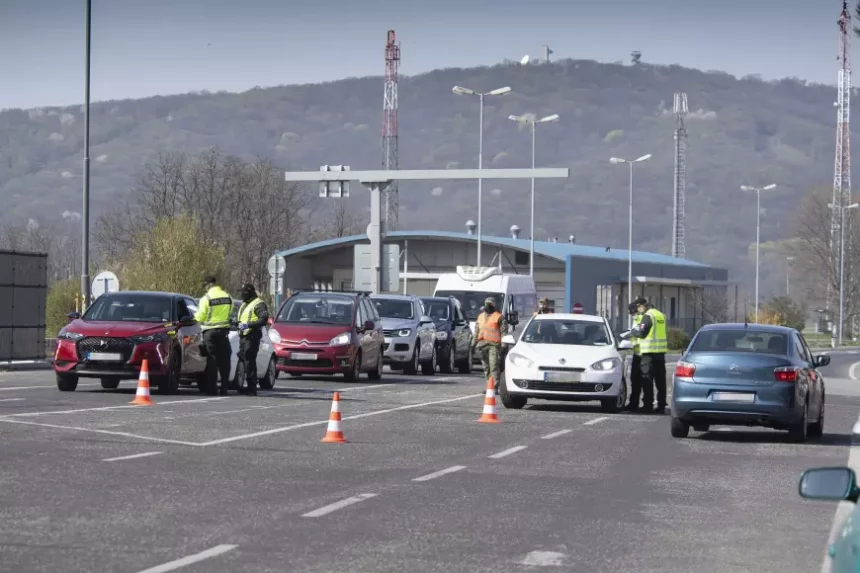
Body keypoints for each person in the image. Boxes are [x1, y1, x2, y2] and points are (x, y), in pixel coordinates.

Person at [194, 275, 234, 396]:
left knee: (212, 360)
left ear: (207, 285)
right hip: (224, 332)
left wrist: (194, 317)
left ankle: (212, 388)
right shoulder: (228, 297)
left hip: (209, 333)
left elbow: (200, 317)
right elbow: (230, 312)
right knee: (225, 360)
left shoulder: (206, 298)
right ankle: (224, 388)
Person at [629, 296, 668, 414]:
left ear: (641, 306)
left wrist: (632, 332)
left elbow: (642, 333)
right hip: (660, 353)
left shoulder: (648, 316)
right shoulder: (661, 315)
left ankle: (647, 406)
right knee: (661, 381)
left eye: (638, 308)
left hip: (648, 353)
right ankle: (661, 405)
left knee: (647, 380)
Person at [235, 283, 269, 396]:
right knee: (244, 359)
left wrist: (248, 325)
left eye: (243, 292)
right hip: (244, 336)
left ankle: (252, 387)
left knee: (249, 360)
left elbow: (263, 319)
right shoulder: (245, 304)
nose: (241, 294)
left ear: (249, 292)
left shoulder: (258, 304)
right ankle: (248, 385)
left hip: (252, 335)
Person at [471, 296, 508, 391]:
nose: (489, 306)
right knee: (486, 367)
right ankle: (489, 385)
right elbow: (476, 331)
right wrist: (472, 345)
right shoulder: (480, 317)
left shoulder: (499, 317)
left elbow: (503, 331)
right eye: (487, 304)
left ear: (494, 305)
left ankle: (494, 386)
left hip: (494, 345)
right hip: (482, 345)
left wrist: (504, 344)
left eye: (490, 304)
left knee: (493, 366)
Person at [624, 302, 645, 412]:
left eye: (632, 312)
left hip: (643, 354)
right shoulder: (637, 319)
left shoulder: (641, 319)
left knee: (640, 380)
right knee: (635, 380)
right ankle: (634, 403)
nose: (632, 315)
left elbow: (639, 334)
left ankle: (637, 404)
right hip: (637, 354)